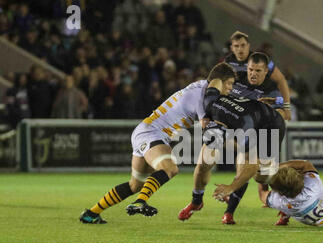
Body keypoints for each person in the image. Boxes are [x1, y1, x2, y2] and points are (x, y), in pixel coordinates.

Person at [79, 62, 236, 224]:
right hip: (152, 132)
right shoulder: (202, 95)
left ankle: (91, 213)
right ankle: (140, 202)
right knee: (170, 168)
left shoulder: (200, 88)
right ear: (218, 81)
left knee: (135, 185)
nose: (231, 88)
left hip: (147, 131)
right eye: (230, 83)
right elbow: (208, 129)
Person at [178, 80, 286, 225]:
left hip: (270, 127)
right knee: (204, 161)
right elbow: (215, 80)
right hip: (246, 118)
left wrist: (230, 188)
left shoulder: (244, 127)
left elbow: (251, 164)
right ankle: (196, 201)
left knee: (260, 176)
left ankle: (286, 206)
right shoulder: (210, 102)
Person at [225, 31, 292, 118]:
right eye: (236, 46)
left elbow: (281, 80)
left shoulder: (263, 61)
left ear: (248, 46)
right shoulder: (228, 62)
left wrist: (286, 108)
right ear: (231, 48)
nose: (240, 49)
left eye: (243, 45)